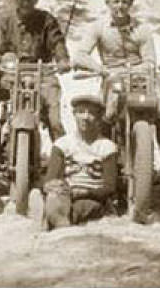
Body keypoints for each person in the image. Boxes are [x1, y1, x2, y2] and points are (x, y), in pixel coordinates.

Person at [71, 0, 160, 176]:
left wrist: (141, 70)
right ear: (108, 3)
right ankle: (104, 163)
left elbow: (150, 60)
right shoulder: (98, 27)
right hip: (112, 77)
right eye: (116, 1)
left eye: (125, 2)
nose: (120, 6)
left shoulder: (142, 29)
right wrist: (101, 70)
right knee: (105, 116)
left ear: (130, 5)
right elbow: (80, 55)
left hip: (141, 77)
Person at [0, 0, 70, 140]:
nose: (26, 3)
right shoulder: (4, 20)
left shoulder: (47, 19)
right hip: (11, 72)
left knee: (54, 117)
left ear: (36, 0)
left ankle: (61, 155)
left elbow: (57, 42)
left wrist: (62, 59)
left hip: (42, 73)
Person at [30, 94, 118, 230]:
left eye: (91, 113)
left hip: (92, 196)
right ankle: (53, 215)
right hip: (65, 193)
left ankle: (51, 218)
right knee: (54, 195)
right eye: (81, 112)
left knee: (80, 208)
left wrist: (85, 192)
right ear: (74, 115)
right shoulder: (62, 144)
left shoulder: (107, 147)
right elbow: (51, 178)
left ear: (99, 118)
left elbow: (110, 187)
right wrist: (52, 187)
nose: (85, 117)